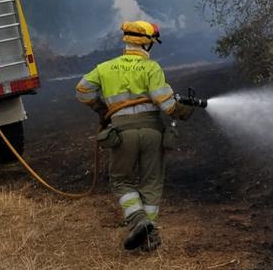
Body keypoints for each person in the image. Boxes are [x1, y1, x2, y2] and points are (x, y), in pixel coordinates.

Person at [75, 21, 193, 251]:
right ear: (148, 44)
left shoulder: (105, 68)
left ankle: (138, 221)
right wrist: (184, 111)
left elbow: (82, 91)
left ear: (126, 41)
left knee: (121, 180)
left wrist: (102, 110)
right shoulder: (151, 68)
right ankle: (150, 233)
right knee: (152, 182)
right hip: (152, 133)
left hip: (122, 134)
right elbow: (167, 103)